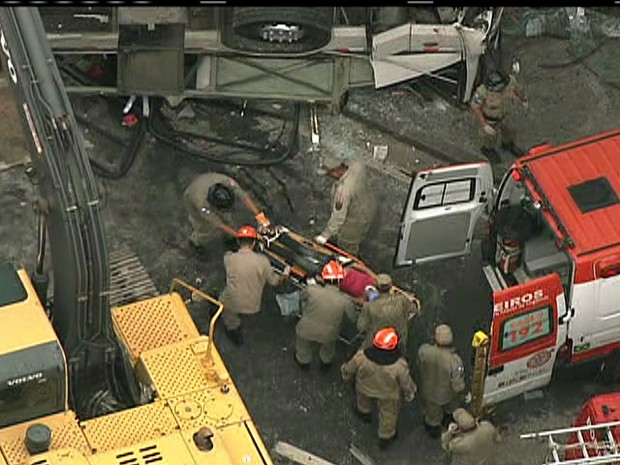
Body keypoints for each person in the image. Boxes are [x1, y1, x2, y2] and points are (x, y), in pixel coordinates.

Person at [341, 327, 416, 450]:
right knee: (388, 415)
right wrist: (409, 393)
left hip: (364, 388)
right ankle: (386, 437)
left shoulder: (362, 357)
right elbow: (406, 383)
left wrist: (346, 375)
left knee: (363, 402)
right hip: (388, 395)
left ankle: (364, 413)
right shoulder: (399, 366)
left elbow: (349, 369)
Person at [219, 225, 290, 346]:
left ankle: (235, 334)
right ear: (254, 243)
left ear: (238, 241)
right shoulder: (263, 261)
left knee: (225, 306)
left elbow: (228, 257)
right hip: (253, 306)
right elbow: (274, 282)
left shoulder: (229, 258)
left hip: (232, 302)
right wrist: (285, 275)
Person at [184, 172, 271, 257]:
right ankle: (195, 243)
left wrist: (261, 219)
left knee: (228, 219)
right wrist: (242, 237)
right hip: (192, 198)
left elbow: (244, 197)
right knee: (205, 227)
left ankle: (229, 238)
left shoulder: (227, 182)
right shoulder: (202, 205)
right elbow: (219, 224)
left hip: (206, 181)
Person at [294, 260, 358, 371]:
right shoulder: (345, 300)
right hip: (329, 334)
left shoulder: (312, 290)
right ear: (340, 280)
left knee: (302, 346)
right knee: (329, 348)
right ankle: (325, 363)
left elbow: (302, 297)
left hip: (306, 329)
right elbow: (353, 318)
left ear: (323, 278)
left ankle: (303, 361)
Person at [314, 159, 377, 256]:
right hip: (368, 203)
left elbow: (338, 218)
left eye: (330, 173)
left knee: (347, 244)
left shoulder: (343, 191)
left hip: (357, 219)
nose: (329, 176)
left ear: (338, 170)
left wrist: (324, 236)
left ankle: (348, 262)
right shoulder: (357, 165)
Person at [417, 324, 468, 438]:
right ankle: (447, 421)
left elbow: (420, 365)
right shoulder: (454, 360)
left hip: (428, 391)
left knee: (432, 415)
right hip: (447, 394)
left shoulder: (424, 351)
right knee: (451, 409)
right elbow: (457, 386)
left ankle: (433, 430)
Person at [470, 69, 528, 163]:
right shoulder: (482, 91)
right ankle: (489, 150)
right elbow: (475, 108)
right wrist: (484, 125)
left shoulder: (510, 81)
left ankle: (507, 145)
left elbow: (517, 89)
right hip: (490, 119)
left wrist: (523, 100)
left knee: (509, 131)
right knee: (490, 138)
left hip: (504, 115)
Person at [357, 273, 420, 354]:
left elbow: (361, 327)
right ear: (391, 287)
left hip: (376, 346)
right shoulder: (401, 301)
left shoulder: (368, 306)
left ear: (376, 288)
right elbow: (415, 309)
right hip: (398, 344)